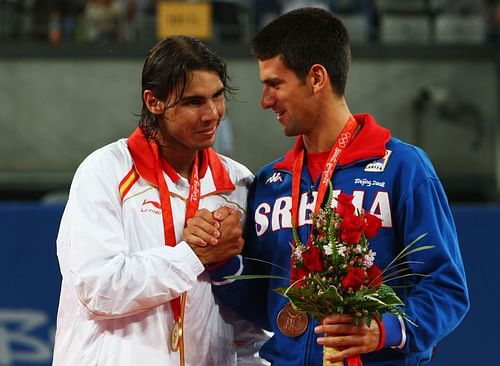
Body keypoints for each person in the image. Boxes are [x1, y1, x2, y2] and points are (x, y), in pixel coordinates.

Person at [197, 7, 470, 366]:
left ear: (316, 78)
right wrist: (222, 265)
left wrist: (384, 329)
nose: (265, 101)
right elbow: (265, 306)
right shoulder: (271, 182)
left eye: (274, 84)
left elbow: (446, 288)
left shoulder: (403, 169)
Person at [52, 35, 268, 366]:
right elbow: (99, 288)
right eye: (194, 102)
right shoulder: (106, 171)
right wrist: (193, 255)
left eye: (218, 97)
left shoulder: (238, 184)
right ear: (154, 102)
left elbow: (247, 325)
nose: (212, 114)